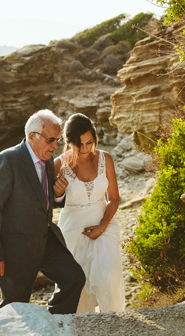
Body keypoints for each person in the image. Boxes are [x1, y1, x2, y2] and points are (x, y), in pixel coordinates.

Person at [0, 109, 86, 314]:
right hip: (15, 251)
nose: (55, 146)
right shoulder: (8, 160)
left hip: (46, 242)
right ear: (32, 136)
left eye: (57, 140)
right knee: (15, 307)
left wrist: (59, 195)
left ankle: (53, 324)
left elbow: (41, 202)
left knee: (74, 278)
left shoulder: (46, 160)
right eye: (50, 140)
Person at [54, 113, 125, 313]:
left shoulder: (106, 159)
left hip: (104, 224)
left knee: (108, 274)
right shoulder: (59, 165)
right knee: (78, 286)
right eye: (79, 144)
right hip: (72, 230)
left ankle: (111, 325)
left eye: (89, 142)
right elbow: (48, 202)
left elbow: (114, 198)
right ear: (68, 142)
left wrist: (102, 227)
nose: (85, 149)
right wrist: (57, 193)